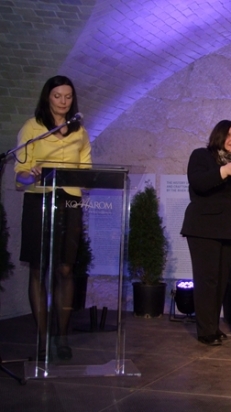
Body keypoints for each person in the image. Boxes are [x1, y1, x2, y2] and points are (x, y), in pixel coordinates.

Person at [14, 75, 92, 361]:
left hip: (69, 201)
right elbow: (20, 174)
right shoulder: (32, 128)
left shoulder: (79, 131)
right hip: (39, 200)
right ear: (48, 97)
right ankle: (43, 337)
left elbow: (87, 170)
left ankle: (62, 337)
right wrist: (32, 174)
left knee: (65, 269)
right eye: (58, 96)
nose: (63, 101)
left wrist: (83, 179)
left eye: (68, 96)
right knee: (39, 268)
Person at [180, 120, 231, 346]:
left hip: (228, 229)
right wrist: (224, 171)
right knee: (207, 280)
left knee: (221, 281)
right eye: (229, 134)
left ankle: (212, 326)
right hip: (203, 229)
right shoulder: (201, 155)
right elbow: (198, 182)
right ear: (219, 136)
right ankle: (205, 330)